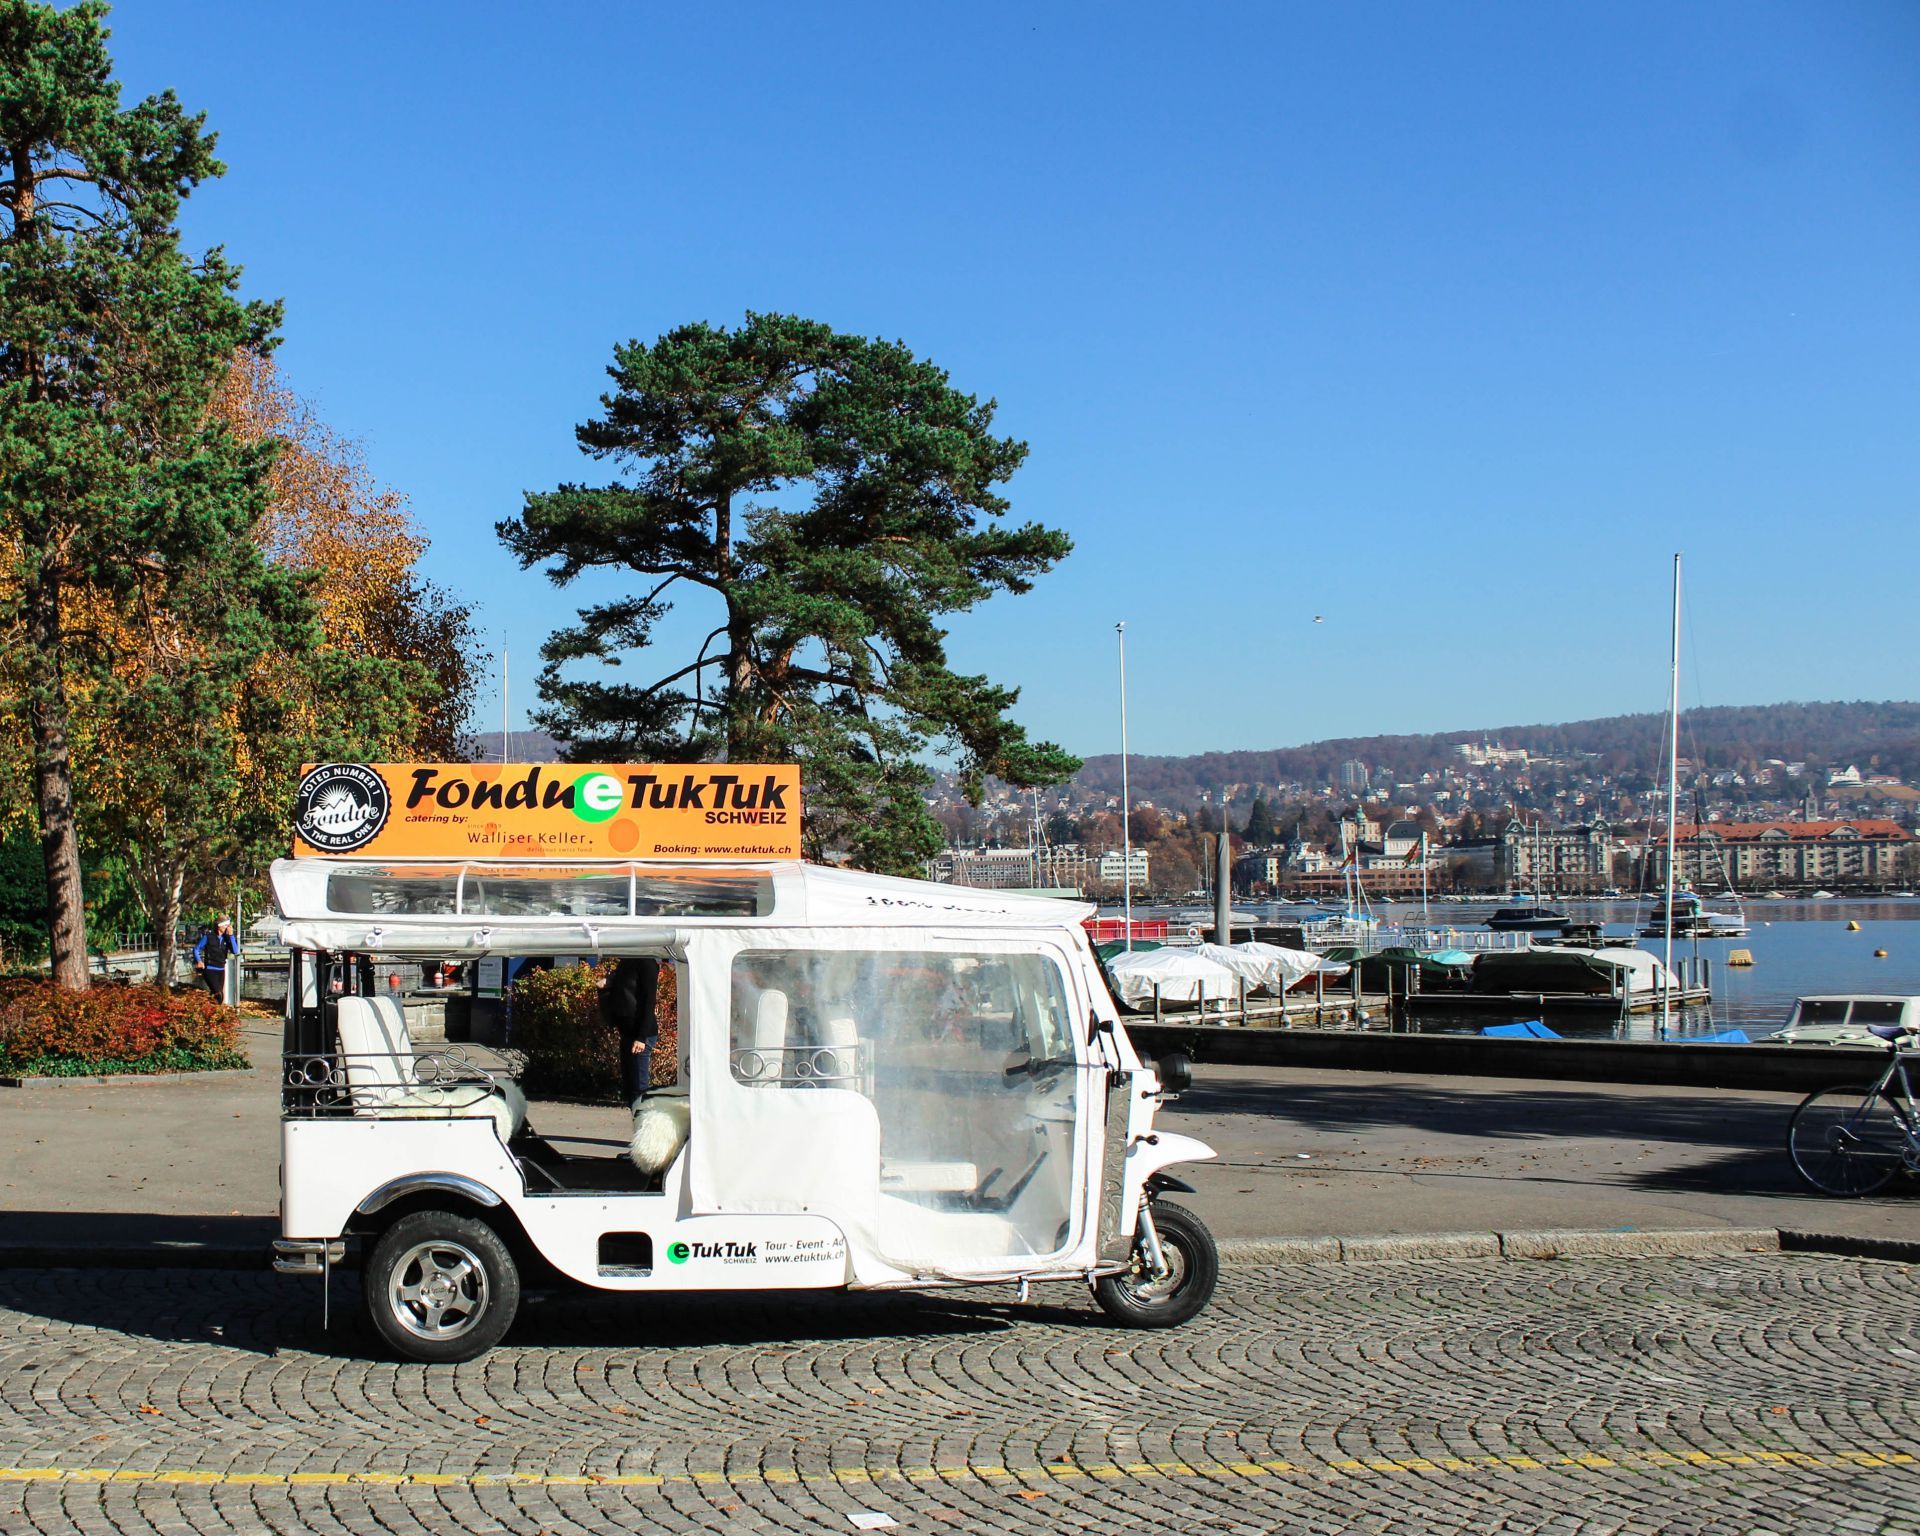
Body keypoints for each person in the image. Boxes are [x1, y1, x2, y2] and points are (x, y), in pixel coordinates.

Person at [599, 957, 659, 1110]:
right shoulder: (625, 961)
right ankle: (638, 1127)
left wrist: (641, 1037)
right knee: (630, 1087)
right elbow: (618, 998)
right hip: (626, 1032)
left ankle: (644, 1128)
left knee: (639, 1088)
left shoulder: (647, 962)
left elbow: (649, 1000)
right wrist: (604, 989)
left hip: (640, 1034)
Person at [192, 917, 239, 1000]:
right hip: (210, 969)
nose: (227, 928)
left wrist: (231, 936)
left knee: (215, 995)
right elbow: (196, 949)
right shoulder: (209, 936)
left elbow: (235, 951)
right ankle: (214, 1010)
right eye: (225, 926)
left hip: (221, 969)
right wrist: (199, 961)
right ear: (219, 926)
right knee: (219, 995)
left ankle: (209, 1009)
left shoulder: (227, 938)